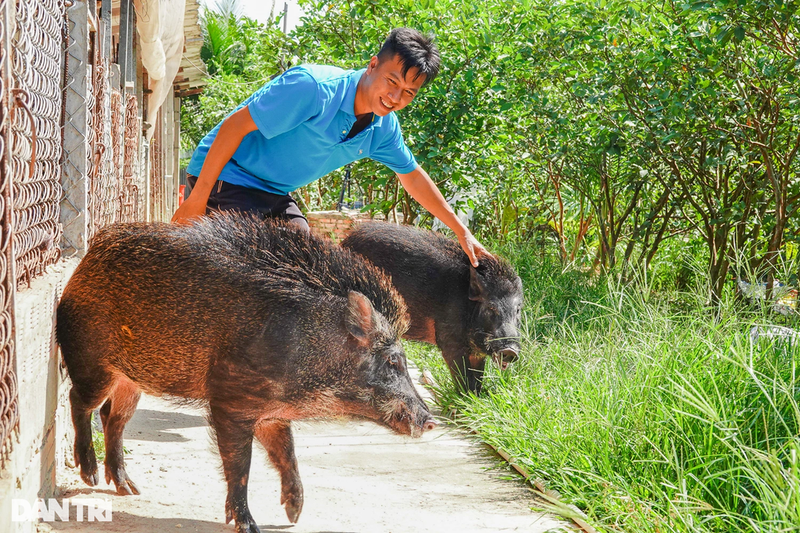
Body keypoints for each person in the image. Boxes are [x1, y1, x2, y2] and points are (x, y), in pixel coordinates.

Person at [173, 27, 489, 267]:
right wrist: (196, 199)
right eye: (392, 82)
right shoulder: (312, 89)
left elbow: (413, 176)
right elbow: (234, 127)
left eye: (408, 92)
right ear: (373, 64)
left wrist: (461, 231)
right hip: (227, 176)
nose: (395, 98)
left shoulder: (382, 129)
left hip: (272, 192)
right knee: (252, 271)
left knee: (307, 265)